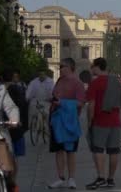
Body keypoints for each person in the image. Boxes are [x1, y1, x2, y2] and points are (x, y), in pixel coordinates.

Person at [85, 58, 121, 189]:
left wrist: (89, 121)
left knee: (98, 149)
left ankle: (100, 178)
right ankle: (110, 179)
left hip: (100, 121)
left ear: (97, 67)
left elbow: (91, 105)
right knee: (113, 151)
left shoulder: (95, 83)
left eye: (92, 66)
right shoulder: (116, 81)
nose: (91, 69)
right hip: (115, 120)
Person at [48, 58, 85, 190]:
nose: (60, 68)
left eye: (62, 66)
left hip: (69, 122)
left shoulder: (77, 83)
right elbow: (55, 95)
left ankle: (71, 178)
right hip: (56, 119)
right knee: (58, 150)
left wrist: (62, 102)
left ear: (70, 67)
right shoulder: (59, 80)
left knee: (70, 151)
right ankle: (60, 177)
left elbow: (81, 102)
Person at [0, 65, 20, 191]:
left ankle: (11, 184)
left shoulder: (0, 89)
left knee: (8, 158)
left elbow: (11, 107)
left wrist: (14, 120)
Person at [2, 68, 28, 189]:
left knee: (3, 156)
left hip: (1, 127)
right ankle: (13, 183)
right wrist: (22, 124)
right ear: (14, 77)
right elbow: (22, 106)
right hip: (15, 127)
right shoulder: (17, 89)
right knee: (15, 157)